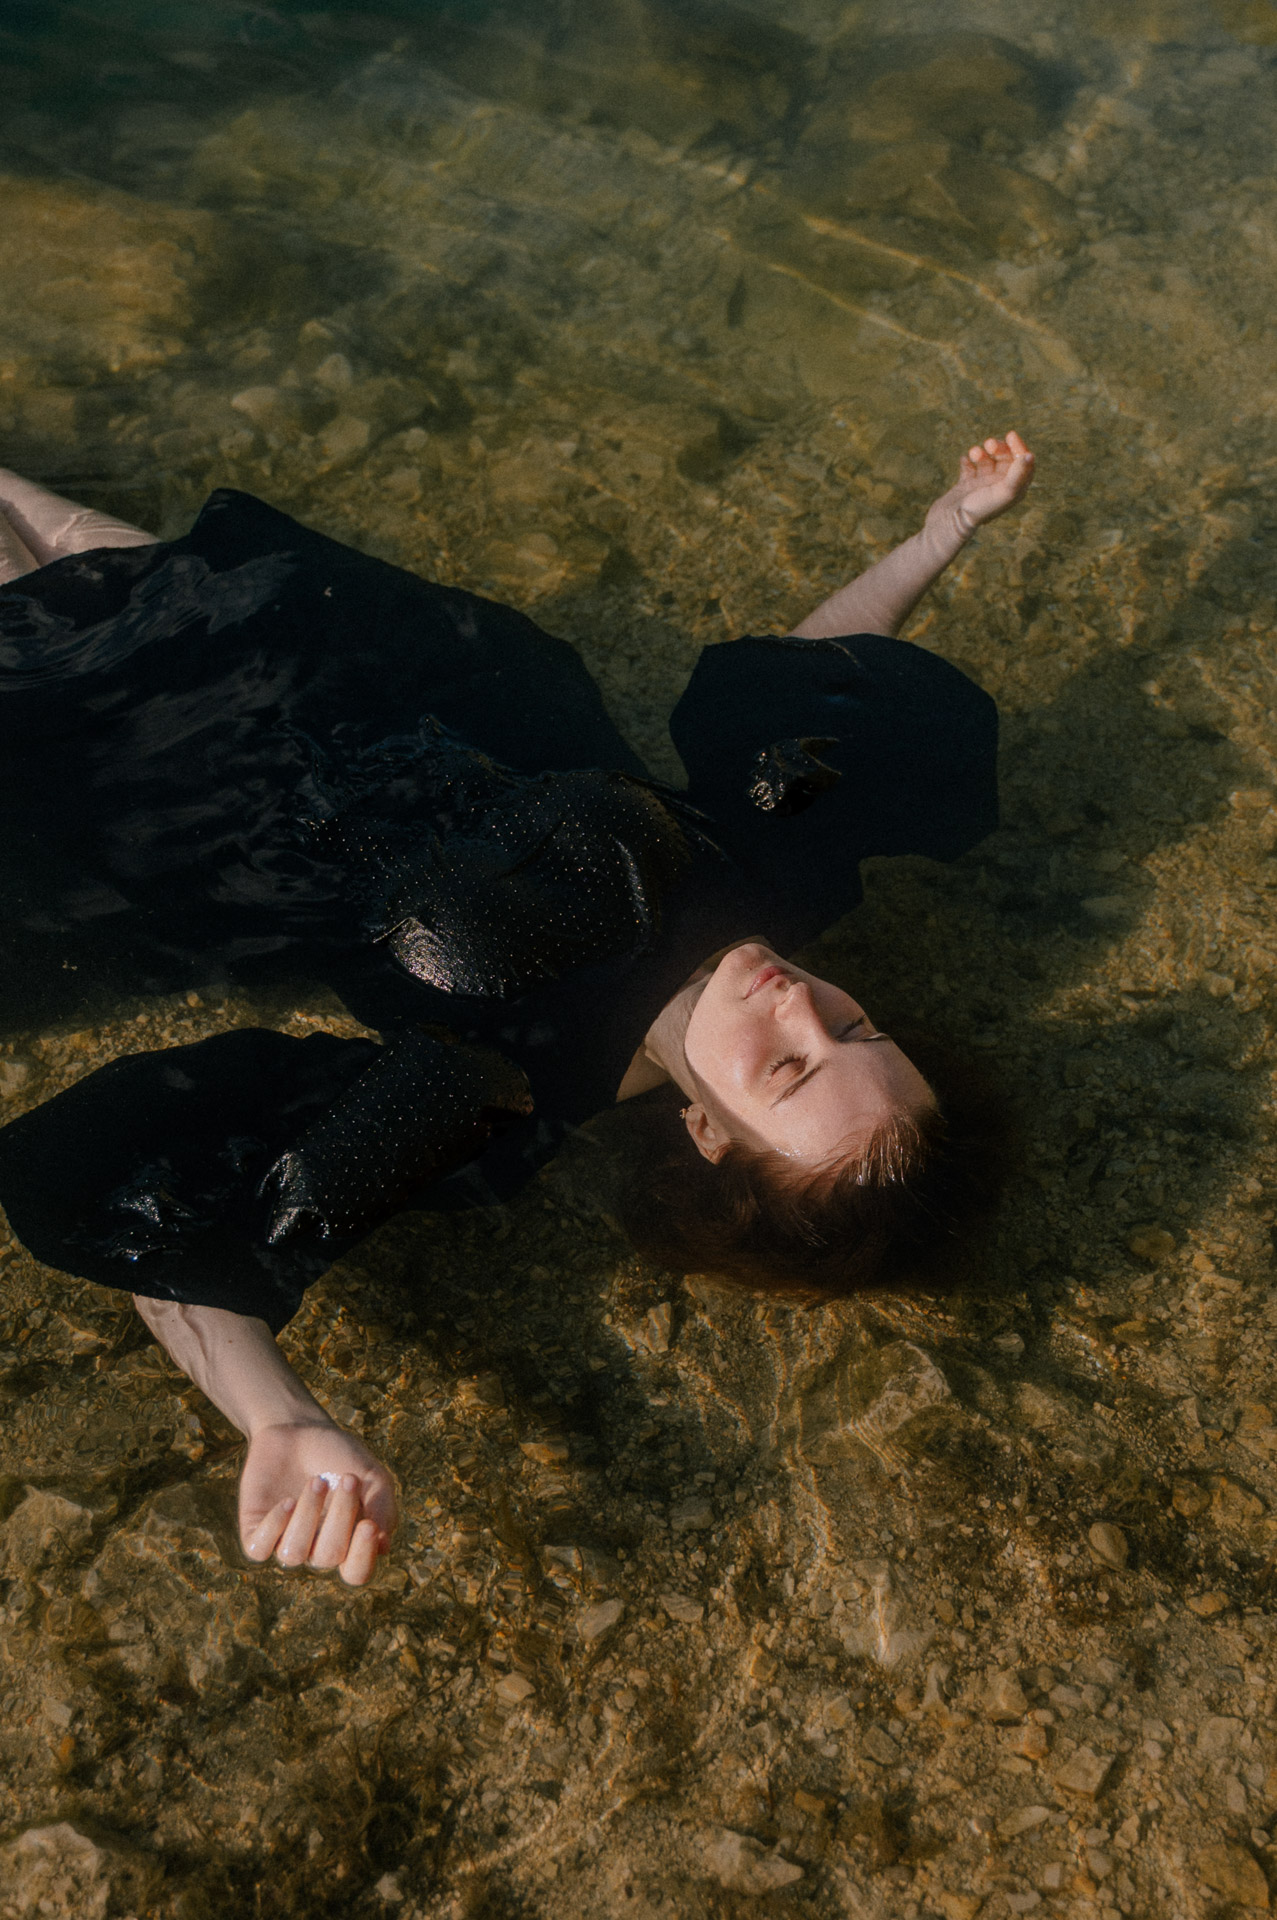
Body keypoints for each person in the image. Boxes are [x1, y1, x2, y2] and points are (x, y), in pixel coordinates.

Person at [0, 431, 1034, 1585]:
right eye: (855, 1029)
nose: (798, 1004)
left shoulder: (504, 1083)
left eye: (785, 1067)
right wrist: (941, 530)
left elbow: (185, 1217)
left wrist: (278, 1416)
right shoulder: (781, 880)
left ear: (706, 1133)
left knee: (58, 605)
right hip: (342, 650)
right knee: (123, 567)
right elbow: (807, 675)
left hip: (181, 776)